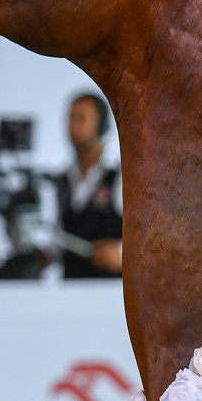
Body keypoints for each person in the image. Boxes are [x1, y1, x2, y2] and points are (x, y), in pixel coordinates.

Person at [53, 92, 124, 278]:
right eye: (70, 119)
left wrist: (120, 252)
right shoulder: (62, 181)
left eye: (81, 119)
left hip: (110, 296)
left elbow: (148, 238)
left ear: (101, 125)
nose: (73, 127)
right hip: (70, 293)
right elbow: (56, 241)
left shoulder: (118, 177)